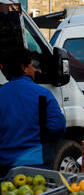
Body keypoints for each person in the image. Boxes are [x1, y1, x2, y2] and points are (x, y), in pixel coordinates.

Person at [0, 48, 66, 178]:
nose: (35, 70)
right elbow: (57, 127)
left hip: (4, 166)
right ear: (23, 68)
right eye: (32, 66)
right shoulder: (43, 94)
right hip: (37, 165)